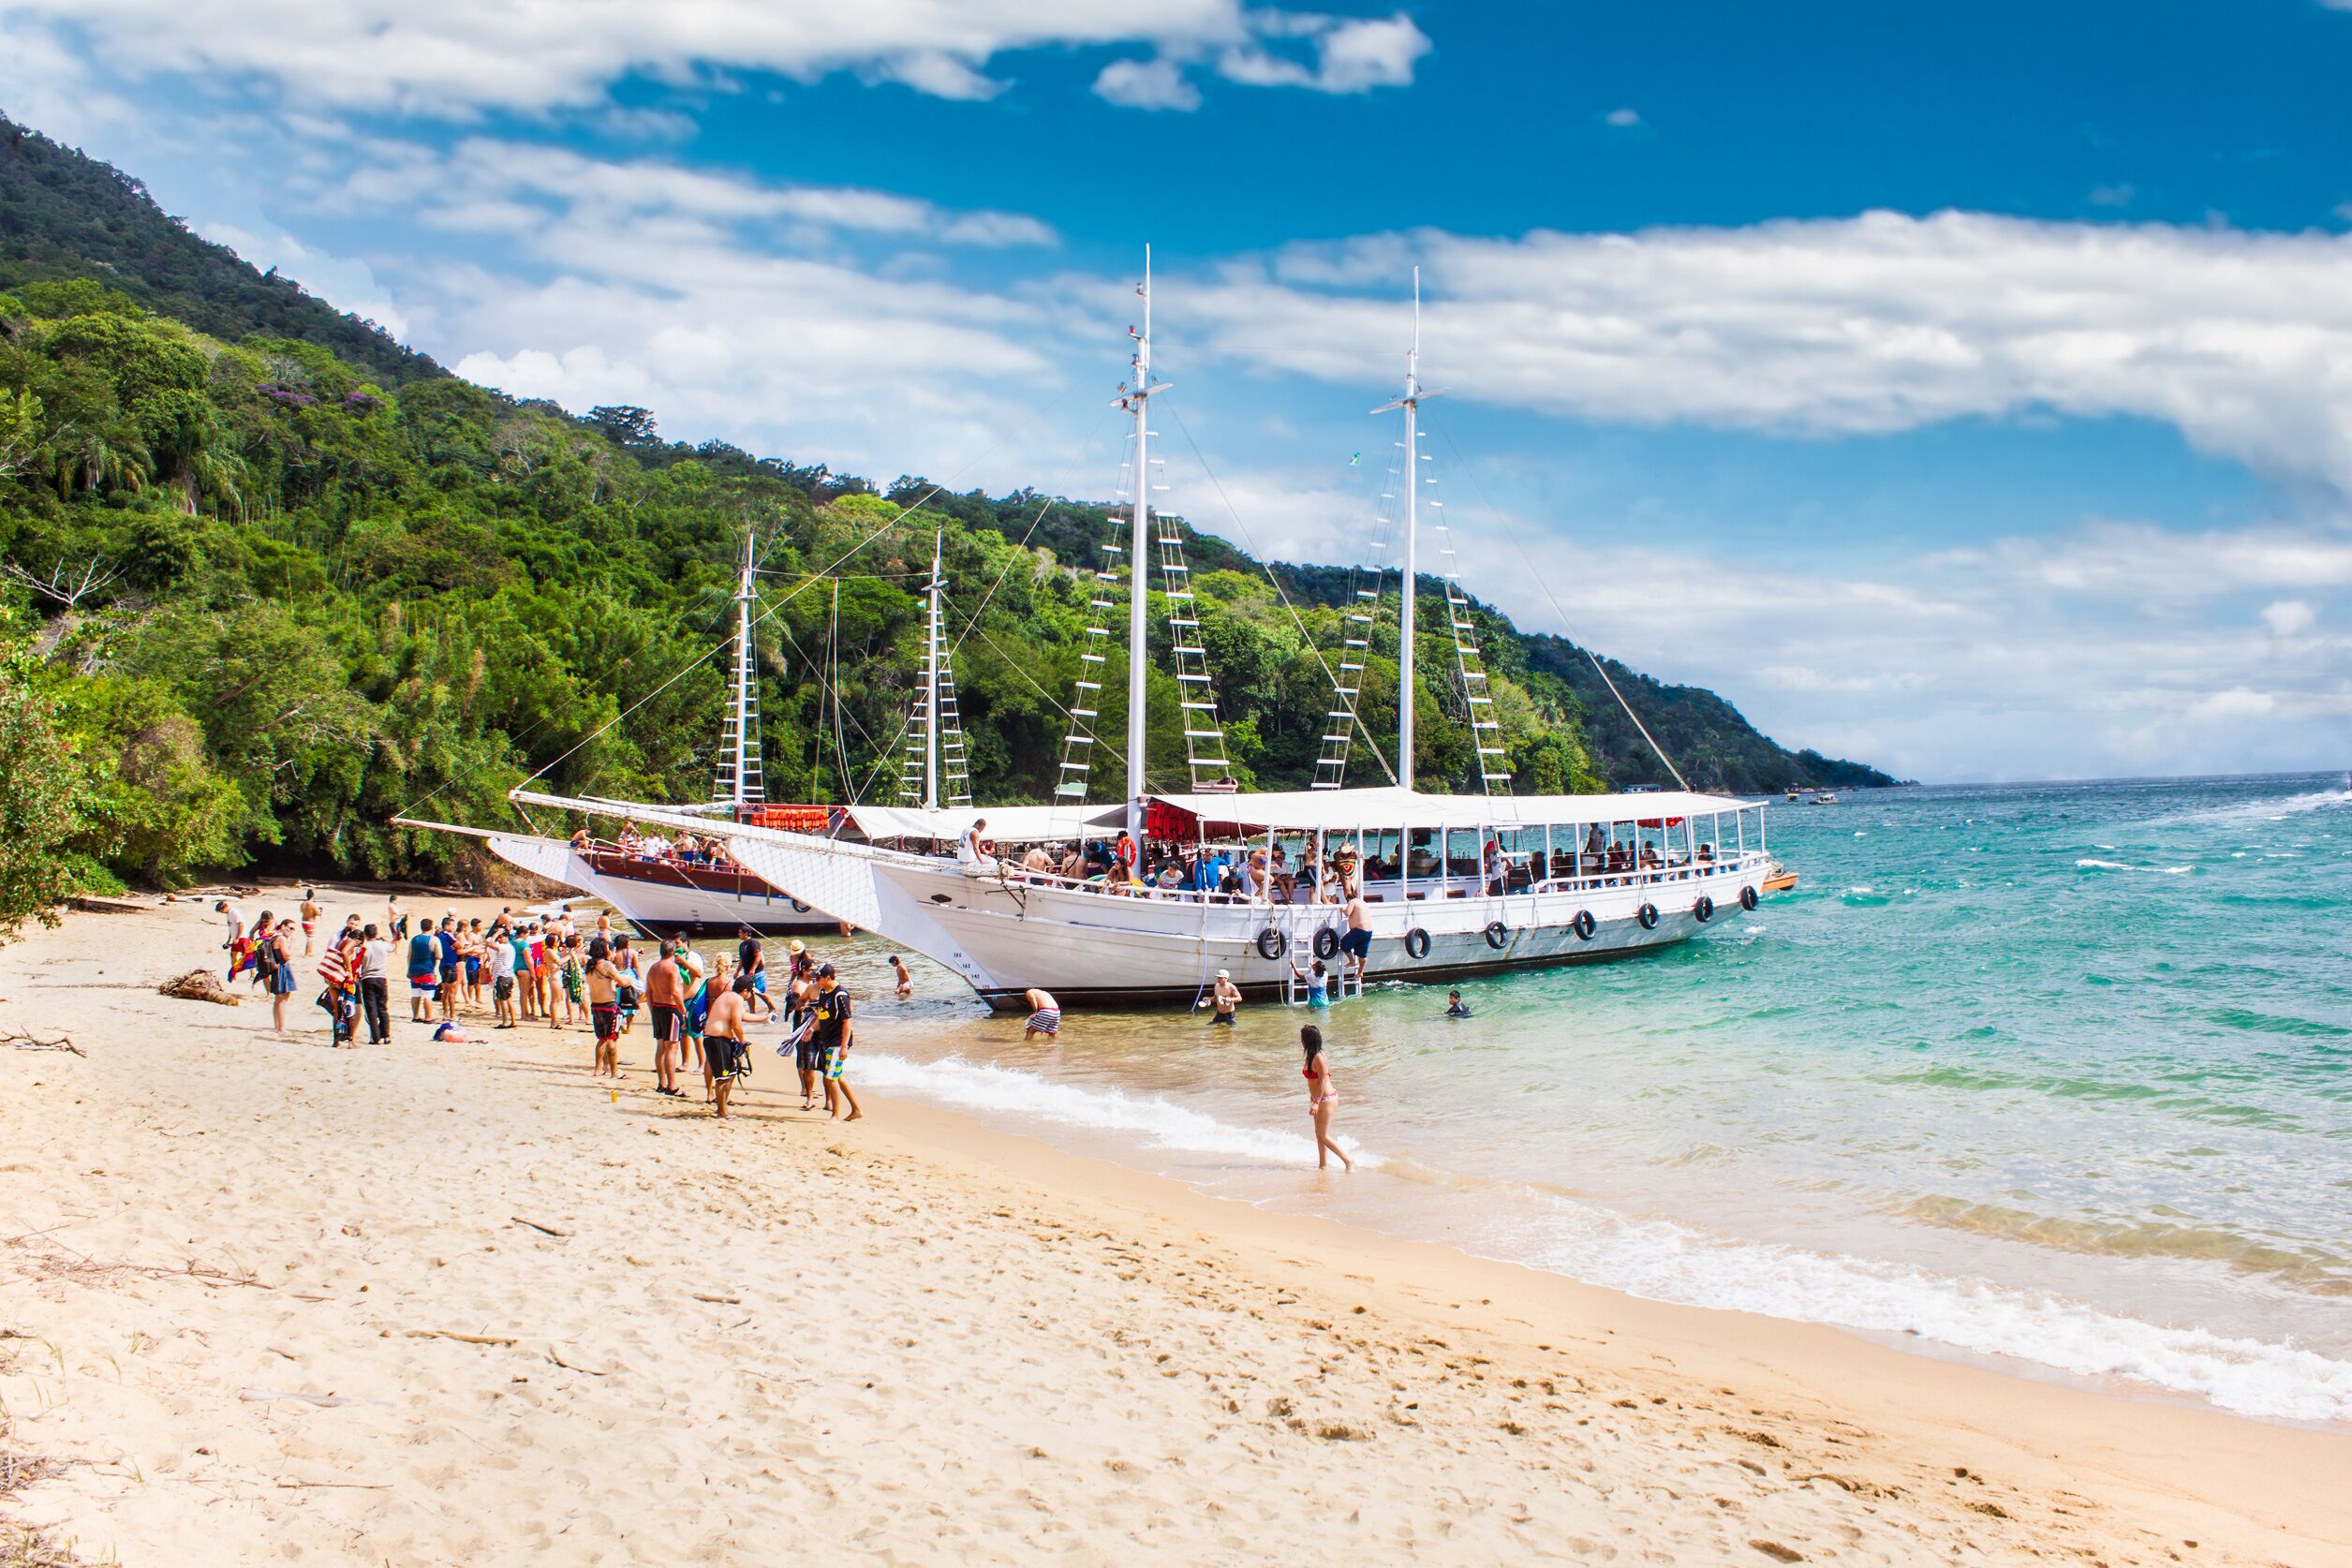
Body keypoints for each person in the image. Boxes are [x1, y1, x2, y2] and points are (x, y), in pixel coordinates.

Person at [809, 963, 860, 1121]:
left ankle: (835, 1115)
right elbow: (822, 1016)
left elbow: (847, 1022)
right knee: (838, 1076)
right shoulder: (824, 992)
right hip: (828, 1040)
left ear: (828, 978)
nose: (816, 981)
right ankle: (857, 1110)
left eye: (818, 978)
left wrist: (844, 1046)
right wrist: (811, 1030)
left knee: (830, 1078)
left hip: (838, 1042)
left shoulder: (840, 995)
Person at [703, 963, 752, 1120]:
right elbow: (736, 1025)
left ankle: (723, 1108)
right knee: (722, 1078)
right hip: (717, 1040)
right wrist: (743, 1043)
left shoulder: (727, 995)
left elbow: (742, 1017)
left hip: (716, 1039)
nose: (750, 996)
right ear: (745, 991)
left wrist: (766, 1018)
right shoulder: (737, 998)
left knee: (730, 1075)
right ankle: (721, 1112)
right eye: (750, 993)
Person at [1299, 1025, 1351, 1171]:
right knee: (1319, 1135)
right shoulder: (1311, 1055)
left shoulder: (1319, 1057)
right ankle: (1323, 1165)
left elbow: (1323, 1081)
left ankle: (1348, 1161)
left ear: (1308, 1040)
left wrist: (1316, 1102)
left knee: (1323, 1135)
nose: (1301, 1041)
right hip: (1318, 1099)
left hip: (1326, 1099)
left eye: (1302, 1038)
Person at [642, 940, 687, 1097]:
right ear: (673, 953)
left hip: (658, 1008)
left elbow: (648, 993)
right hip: (671, 1009)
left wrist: (652, 1010)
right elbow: (675, 991)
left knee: (661, 1047)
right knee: (672, 1048)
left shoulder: (653, 968)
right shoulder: (672, 968)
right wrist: (684, 1011)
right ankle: (672, 1086)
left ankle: (662, 1083)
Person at [585, 936, 622, 1078]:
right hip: (609, 1006)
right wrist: (630, 980)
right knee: (612, 1039)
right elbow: (622, 981)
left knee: (601, 1039)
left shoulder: (590, 965)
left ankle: (598, 1069)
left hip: (595, 1005)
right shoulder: (606, 965)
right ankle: (614, 1072)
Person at [358, 922, 392, 1044]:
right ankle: (386, 1035)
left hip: (368, 978)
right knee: (383, 1007)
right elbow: (392, 947)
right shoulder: (383, 945)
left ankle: (375, 1037)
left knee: (371, 1009)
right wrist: (383, 939)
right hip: (381, 977)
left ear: (365, 935)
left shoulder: (363, 947)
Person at [1339, 884, 1372, 983]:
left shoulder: (1352, 902)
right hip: (1368, 931)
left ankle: (1352, 961)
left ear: (1348, 899)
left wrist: (1342, 909)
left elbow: (1347, 913)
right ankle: (1360, 972)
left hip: (1359, 930)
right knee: (1362, 954)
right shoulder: (1363, 902)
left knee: (1344, 944)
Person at [486, 924, 517, 1028]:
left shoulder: (504, 947)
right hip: (508, 976)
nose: (499, 939)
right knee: (509, 999)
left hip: (503, 976)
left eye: (501, 937)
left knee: (503, 1000)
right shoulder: (511, 947)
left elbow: (490, 944)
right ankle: (513, 1021)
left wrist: (496, 934)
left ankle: (505, 1022)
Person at [407, 923, 439, 1022]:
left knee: (415, 994)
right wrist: (436, 970)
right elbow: (439, 956)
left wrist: (409, 969)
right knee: (428, 995)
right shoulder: (434, 939)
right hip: (427, 970)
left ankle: (415, 1016)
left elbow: (409, 955)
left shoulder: (414, 939)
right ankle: (428, 1017)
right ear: (431, 927)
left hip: (414, 969)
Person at [214, 898, 247, 982]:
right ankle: (234, 974)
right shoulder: (228, 914)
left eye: (221, 910)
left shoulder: (235, 912)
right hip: (235, 939)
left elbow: (241, 925)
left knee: (247, 956)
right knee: (233, 956)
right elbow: (231, 928)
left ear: (224, 907)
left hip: (242, 938)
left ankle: (252, 974)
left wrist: (237, 938)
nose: (222, 912)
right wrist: (229, 939)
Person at [735, 927, 766, 998]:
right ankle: (752, 1010)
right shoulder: (742, 945)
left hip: (757, 972)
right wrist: (737, 971)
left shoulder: (753, 942)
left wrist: (753, 969)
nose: (738, 934)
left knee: (760, 992)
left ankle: (771, 1005)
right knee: (748, 993)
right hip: (747, 973)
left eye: (740, 932)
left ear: (745, 933)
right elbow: (741, 960)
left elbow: (758, 956)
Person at [299, 889, 320, 955]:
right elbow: (317, 913)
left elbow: (301, 911)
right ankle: (308, 953)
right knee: (310, 938)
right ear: (313, 895)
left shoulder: (303, 903)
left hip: (303, 921)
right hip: (310, 922)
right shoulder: (313, 904)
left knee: (309, 938)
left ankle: (309, 952)